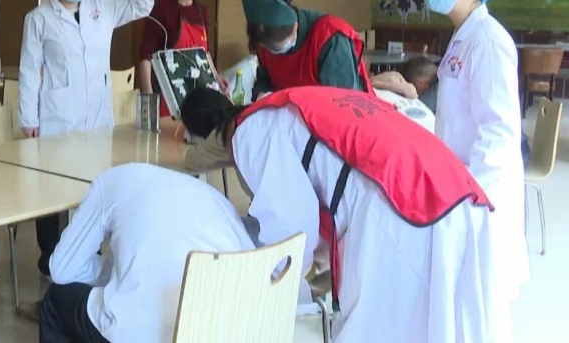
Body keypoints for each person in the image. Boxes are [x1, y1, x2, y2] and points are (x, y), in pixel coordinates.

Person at [180, 86, 509, 343]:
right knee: (443, 326)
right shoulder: (291, 103)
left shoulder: (249, 132)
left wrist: (267, 292)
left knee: (378, 329)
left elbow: (291, 227)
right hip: (454, 186)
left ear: (212, 136)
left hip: (399, 207)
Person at [19, 0, 153, 276]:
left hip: (97, 116)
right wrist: (28, 118)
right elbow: (28, 71)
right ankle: (49, 256)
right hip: (56, 118)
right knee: (51, 191)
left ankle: (87, 251)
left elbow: (142, 5)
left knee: (93, 187)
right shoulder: (38, 19)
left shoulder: (101, 7)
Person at [425, 0, 529, 324]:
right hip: (458, 185)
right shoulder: (463, 36)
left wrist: (471, 192)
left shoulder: (488, 40)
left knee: (483, 309)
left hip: (480, 192)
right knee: (462, 303)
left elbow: (498, 129)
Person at [40, 163, 255, 343]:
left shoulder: (109, 183)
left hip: (139, 334)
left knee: (56, 299)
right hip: (223, 330)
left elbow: (62, 269)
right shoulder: (214, 197)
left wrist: (117, 272)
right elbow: (252, 264)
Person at [242, 0, 371, 99]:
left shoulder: (330, 37)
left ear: (295, 27)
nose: (270, 52)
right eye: (266, 48)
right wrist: (262, 94)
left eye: (276, 48)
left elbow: (343, 100)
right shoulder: (264, 42)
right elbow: (265, 78)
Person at [137, 0, 211, 116]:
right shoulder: (162, 9)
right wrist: (148, 94)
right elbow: (145, 55)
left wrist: (217, 78)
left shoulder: (202, 11)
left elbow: (205, 54)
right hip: (168, 91)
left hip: (197, 90)